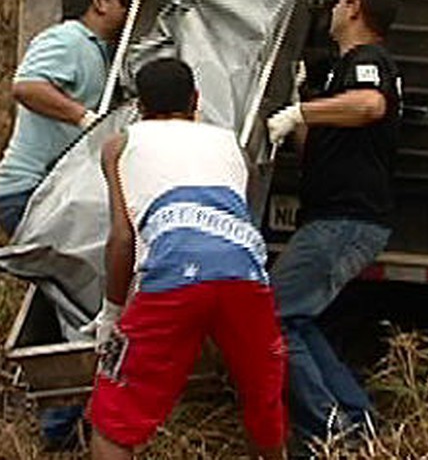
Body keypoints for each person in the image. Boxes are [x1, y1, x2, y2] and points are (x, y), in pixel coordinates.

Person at [86, 58, 286, 460]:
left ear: (138, 109)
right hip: (245, 276)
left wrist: (111, 316)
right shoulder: (232, 146)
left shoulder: (120, 144)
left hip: (174, 274)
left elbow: (122, 240)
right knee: (264, 408)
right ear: (196, 100)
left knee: (114, 419)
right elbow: (227, 229)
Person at [0, 0, 128, 449]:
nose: (126, 8)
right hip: (32, 193)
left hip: (53, 196)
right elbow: (25, 86)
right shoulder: (68, 40)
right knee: (85, 304)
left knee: (73, 301)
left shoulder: (99, 54)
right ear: (98, 3)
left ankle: (66, 423)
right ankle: (64, 427)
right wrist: (85, 119)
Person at [265, 0, 402, 450]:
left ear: (356, 8)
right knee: (295, 319)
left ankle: (327, 432)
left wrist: (304, 113)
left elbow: (369, 106)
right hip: (331, 218)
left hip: (346, 221)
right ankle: (356, 421)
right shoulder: (337, 71)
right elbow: (315, 145)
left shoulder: (369, 62)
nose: (333, 9)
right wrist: (301, 105)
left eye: (340, 0)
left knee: (271, 317)